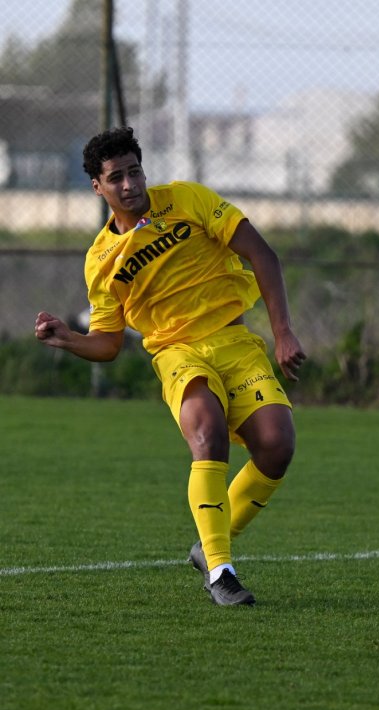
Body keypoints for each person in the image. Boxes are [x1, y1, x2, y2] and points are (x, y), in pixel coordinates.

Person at [34, 126, 306, 607]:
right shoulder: (101, 261)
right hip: (176, 352)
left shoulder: (187, 199)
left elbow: (262, 253)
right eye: (116, 178)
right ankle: (222, 571)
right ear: (97, 187)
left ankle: (207, 545)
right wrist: (69, 340)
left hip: (234, 340)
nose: (129, 184)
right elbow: (109, 343)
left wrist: (283, 331)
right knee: (208, 432)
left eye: (134, 171)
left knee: (277, 446)